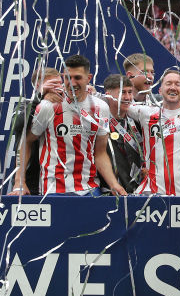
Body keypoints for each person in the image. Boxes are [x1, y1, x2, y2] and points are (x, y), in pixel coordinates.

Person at [12, 55, 127, 197]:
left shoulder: (100, 107)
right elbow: (26, 142)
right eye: (67, 78)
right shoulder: (48, 105)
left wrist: (113, 184)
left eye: (77, 78)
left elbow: (100, 153)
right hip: (53, 190)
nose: (72, 83)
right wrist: (19, 181)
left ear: (88, 78)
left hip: (89, 190)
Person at [129, 68, 180, 196]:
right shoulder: (146, 113)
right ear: (160, 90)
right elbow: (119, 104)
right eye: (168, 83)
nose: (173, 87)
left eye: (177, 84)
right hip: (151, 192)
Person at [10, 66, 62, 195]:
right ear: (39, 85)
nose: (59, 88)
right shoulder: (26, 104)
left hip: (60, 182)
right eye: (53, 84)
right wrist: (40, 97)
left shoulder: (68, 107)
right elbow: (17, 124)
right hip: (30, 182)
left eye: (60, 83)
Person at [101, 74, 144, 193]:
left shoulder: (137, 122)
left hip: (136, 191)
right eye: (122, 92)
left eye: (130, 92)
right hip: (109, 193)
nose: (128, 97)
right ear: (108, 95)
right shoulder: (99, 123)